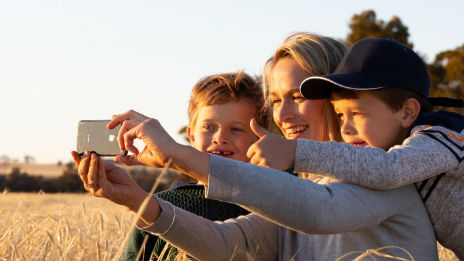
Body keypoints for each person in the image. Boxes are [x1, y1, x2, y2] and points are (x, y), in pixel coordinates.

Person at [73, 33, 439, 260]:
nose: (286, 114)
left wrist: (178, 154)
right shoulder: (303, 186)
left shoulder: (382, 174)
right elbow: (229, 244)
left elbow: (317, 212)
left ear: (336, 94)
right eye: (276, 101)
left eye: (298, 96)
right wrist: (137, 200)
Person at [251, 38, 464, 259]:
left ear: (408, 112)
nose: (346, 128)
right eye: (340, 115)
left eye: (358, 113)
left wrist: (296, 151)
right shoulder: (398, 145)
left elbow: (387, 169)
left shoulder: (440, 136)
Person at [121, 71, 266, 261]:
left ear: (259, 138)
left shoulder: (268, 208)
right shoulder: (158, 206)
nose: (220, 138)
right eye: (209, 127)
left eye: (235, 129)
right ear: (191, 135)